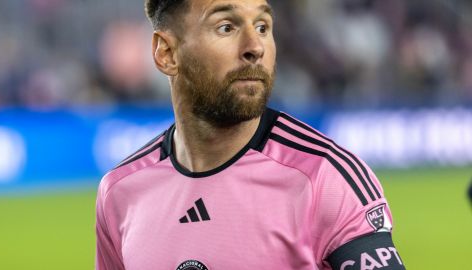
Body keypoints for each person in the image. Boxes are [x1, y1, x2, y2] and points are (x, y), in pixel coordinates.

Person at [95, 0, 406, 269]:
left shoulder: (325, 177)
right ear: (167, 53)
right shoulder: (119, 192)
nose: (254, 47)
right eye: (226, 27)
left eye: (262, 26)